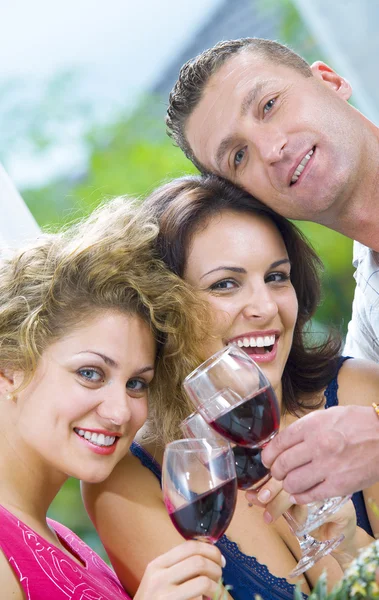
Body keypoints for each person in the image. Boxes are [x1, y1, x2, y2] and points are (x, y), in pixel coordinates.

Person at [82, 175, 378, 600]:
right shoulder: (128, 483)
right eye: (225, 284)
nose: (265, 308)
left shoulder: (361, 393)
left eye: (277, 277)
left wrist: (350, 548)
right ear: (163, 308)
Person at [164, 37, 379, 502]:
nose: (272, 148)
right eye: (238, 156)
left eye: (269, 105)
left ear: (329, 80)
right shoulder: (371, 329)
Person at [0, 196, 229, 600]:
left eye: (137, 383)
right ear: (9, 367)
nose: (120, 411)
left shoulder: (70, 545)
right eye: (90, 374)